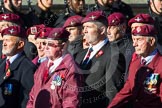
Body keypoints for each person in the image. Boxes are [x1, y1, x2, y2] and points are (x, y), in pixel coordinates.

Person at [75, 10, 125, 108]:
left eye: (89, 27)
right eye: (84, 27)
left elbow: (113, 94)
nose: (84, 30)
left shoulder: (113, 55)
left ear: (102, 30)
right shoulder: (79, 55)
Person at [108, 24, 162, 108]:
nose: (134, 44)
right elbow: (126, 91)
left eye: (139, 40)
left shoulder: (160, 64)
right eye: (133, 40)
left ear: (151, 41)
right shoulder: (135, 63)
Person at [27, 27, 82, 108]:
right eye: (46, 44)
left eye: (51, 44)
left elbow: (71, 101)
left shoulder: (71, 69)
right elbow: (32, 95)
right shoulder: (43, 65)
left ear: (63, 47)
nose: (46, 48)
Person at [0, 26, 37, 107]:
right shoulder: (2, 63)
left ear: (20, 44)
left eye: (8, 40)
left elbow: (26, 100)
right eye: (4, 40)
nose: (4, 43)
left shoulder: (27, 68)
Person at [107, 12, 134, 81]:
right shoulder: (104, 46)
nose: (108, 31)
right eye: (107, 27)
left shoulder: (132, 48)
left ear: (123, 28)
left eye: (112, 27)